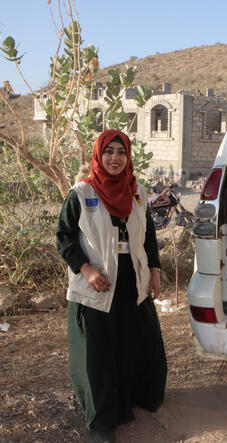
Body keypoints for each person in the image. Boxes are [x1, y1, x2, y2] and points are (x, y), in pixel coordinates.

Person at [56, 129, 167, 442]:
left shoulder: (137, 192)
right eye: (109, 152)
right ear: (98, 156)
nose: (115, 158)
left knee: (139, 341)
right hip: (98, 285)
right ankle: (102, 420)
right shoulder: (81, 193)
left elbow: (147, 235)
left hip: (132, 279)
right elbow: (63, 238)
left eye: (121, 152)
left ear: (128, 157)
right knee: (99, 352)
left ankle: (137, 397)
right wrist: (86, 269)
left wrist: (154, 271)